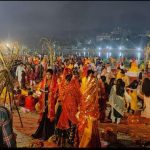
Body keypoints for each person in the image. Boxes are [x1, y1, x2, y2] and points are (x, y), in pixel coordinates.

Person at [76, 70, 101, 148]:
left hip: (88, 116)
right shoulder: (87, 93)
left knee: (88, 132)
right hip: (87, 115)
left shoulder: (90, 95)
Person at [32, 69, 58, 141]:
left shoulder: (55, 83)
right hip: (44, 103)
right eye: (47, 74)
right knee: (43, 118)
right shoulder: (44, 81)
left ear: (52, 75)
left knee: (48, 119)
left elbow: (56, 93)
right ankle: (40, 133)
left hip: (50, 104)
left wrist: (49, 93)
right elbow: (39, 89)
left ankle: (47, 135)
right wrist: (40, 92)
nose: (47, 76)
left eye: (49, 74)